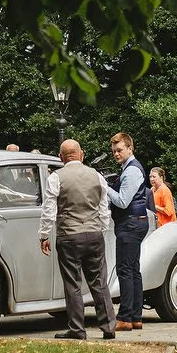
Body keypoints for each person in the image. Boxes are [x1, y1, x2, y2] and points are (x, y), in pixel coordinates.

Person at [39, 139, 116, 340]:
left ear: (61, 157)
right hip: (95, 234)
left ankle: (77, 328)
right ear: (81, 155)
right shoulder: (97, 176)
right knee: (99, 281)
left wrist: (44, 234)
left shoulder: (56, 178)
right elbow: (104, 208)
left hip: (69, 236)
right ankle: (108, 326)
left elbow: (49, 210)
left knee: (72, 283)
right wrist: (101, 230)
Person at [106, 131, 151, 331]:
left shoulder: (132, 170)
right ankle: (135, 317)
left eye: (119, 150)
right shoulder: (129, 168)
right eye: (114, 151)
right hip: (134, 222)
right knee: (133, 270)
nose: (116, 154)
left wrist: (105, 187)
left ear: (130, 148)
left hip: (130, 223)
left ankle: (125, 317)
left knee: (125, 270)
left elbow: (123, 201)